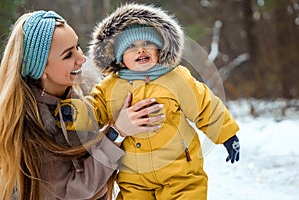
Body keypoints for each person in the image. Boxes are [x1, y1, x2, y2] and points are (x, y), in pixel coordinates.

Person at [59, 3, 240, 200]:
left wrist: (226, 134)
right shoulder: (111, 86)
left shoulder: (176, 78)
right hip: (134, 177)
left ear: (160, 49)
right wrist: (74, 112)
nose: (140, 50)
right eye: (131, 46)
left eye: (147, 43)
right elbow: (94, 108)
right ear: (119, 57)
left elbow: (205, 106)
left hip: (179, 172)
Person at [0, 10, 164, 200]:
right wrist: (117, 132)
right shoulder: (27, 127)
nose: (82, 58)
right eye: (68, 55)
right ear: (42, 69)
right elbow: (73, 191)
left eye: (77, 46)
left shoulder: (91, 90)